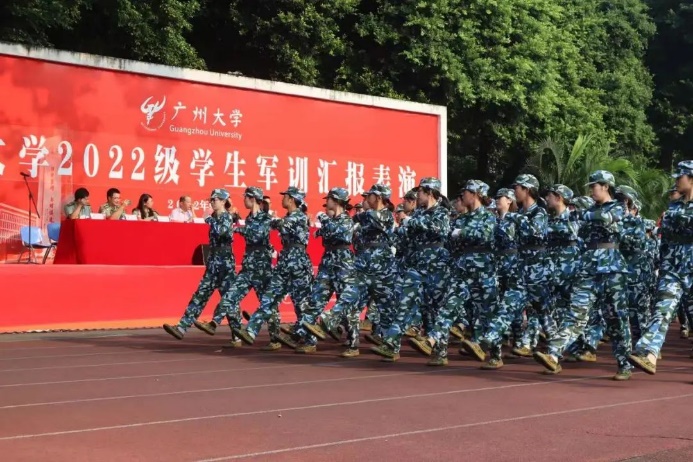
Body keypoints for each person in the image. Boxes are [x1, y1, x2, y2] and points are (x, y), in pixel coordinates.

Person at [534, 170, 633, 380]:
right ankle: (553, 354)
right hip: (588, 267)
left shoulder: (618, 207)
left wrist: (581, 215)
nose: (591, 191)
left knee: (616, 318)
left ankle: (624, 363)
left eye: (594, 186)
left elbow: (604, 218)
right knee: (575, 313)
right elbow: (580, 233)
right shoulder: (588, 210)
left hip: (612, 268)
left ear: (605, 186)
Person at [408, 180, 497, 366]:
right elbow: (450, 241)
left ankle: (495, 355)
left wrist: (461, 233)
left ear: (476, 194)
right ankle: (432, 341)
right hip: (462, 270)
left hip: (483, 271)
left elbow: (485, 235)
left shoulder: (488, 217)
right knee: (448, 307)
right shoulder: (460, 219)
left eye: (466, 191)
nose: (462, 195)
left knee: (486, 313)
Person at [304, 184, 397, 358]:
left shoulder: (384, 216)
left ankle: (391, 346)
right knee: (348, 297)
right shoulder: (365, 217)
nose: (366, 198)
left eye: (369, 195)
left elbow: (357, 222)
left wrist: (328, 219)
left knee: (386, 309)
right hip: (363, 267)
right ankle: (327, 323)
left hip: (382, 270)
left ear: (378, 197)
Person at [370, 177, 450, 362]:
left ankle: (440, 351)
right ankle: (391, 345)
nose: (417, 195)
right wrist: (393, 233)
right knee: (403, 303)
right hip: (416, 266)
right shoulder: (418, 213)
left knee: (434, 310)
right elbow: (406, 238)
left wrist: (410, 222)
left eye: (420, 191)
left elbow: (441, 230)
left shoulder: (442, 212)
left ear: (429, 193)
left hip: (437, 267)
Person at [629, 160, 693, 375]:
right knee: (662, 311)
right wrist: (661, 263)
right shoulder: (674, 207)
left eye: (680, 177)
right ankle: (649, 354)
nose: (676, 181)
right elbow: (665, 237)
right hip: (673, 268)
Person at [193, 187, 277, 349]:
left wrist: (240, 229)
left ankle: (275, 338)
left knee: (267, 304)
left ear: (253, 199)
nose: (243, 200)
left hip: (262, 269)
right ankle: (214, 322)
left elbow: (258, 236)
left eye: (246, 197)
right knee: (230, 296)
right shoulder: (249, 218)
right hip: (248, 267)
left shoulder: (265, 218)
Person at [233, 187, 314, 348]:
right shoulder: (290, 216)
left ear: (291, 199)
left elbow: (281, 224)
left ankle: (309, 340)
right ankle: (251, 331)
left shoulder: (298, 216)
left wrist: (268, 219)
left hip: (298, 263)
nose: (282, 199)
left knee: (301, 304)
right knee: (269, 297)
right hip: (285, 263)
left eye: (285, 196)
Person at [162, 189, 236, 340]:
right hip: (213, 261)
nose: (212, 202)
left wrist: (208, 219)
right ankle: (182, 327)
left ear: (223, 201)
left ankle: (238, 334)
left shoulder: (227, 217)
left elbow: (222, 232)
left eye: (215, 199)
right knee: (200, 294)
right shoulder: (215, 217)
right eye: (211, 200)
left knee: (228, 299)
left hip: (225, 262)